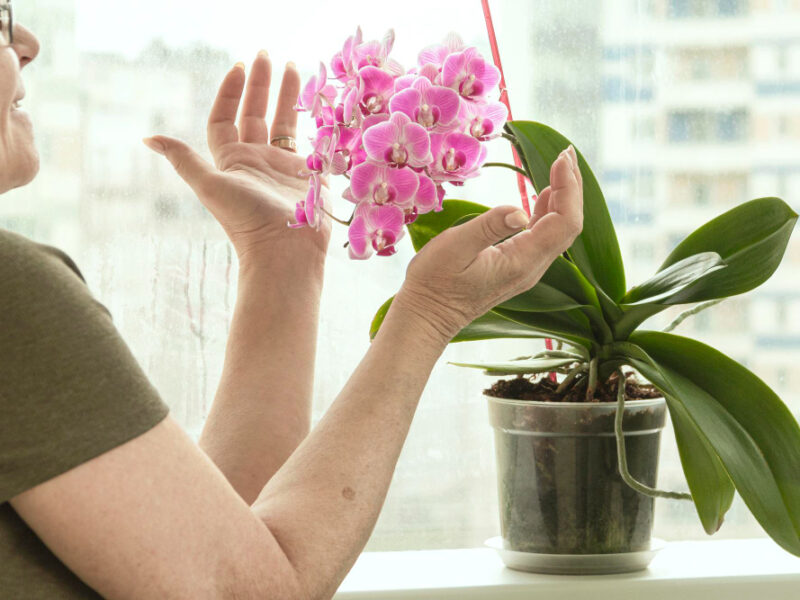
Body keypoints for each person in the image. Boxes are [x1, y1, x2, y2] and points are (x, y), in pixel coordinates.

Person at [0, 4, 584, 598]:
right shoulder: (11, 294)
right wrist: (429, 315)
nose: (26, 41)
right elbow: (255, 594)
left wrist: (283, 263)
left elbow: (217, 554)